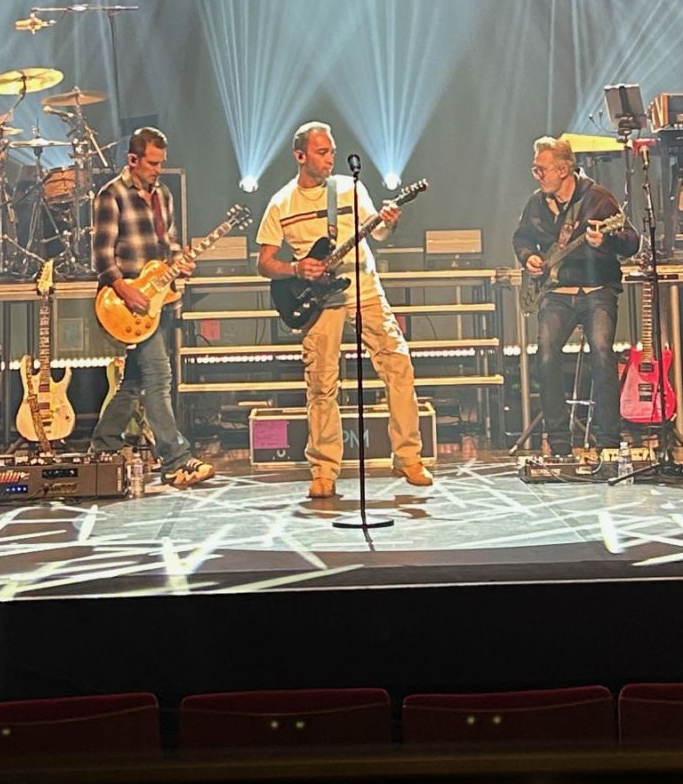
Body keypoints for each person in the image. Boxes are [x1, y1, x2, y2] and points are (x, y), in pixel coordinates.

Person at [257, 122, 431, 500]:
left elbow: (377, 233)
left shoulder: (350, 188)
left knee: (398, 364)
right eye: (322, 152)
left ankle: (408, 457)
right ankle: (323, 470)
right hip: (319, 299)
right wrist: (296, 269)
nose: (330, 158)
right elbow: (265, 262)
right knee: (321, 383)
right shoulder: (281, 203)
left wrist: (388, 223)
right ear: (300, 156)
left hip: (364, 287)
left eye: (332, 151)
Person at [85, 127, 215, 487]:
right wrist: (125, 290)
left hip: (157, 301)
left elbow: (167, 243)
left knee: (135, 381)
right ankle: (176, 460)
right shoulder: (111, 195)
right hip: (127, 303)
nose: (159, 170)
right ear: (133, 160)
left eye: (161, 163)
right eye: (153, 163)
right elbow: (102, 255)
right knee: (159, 376)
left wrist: (180, 262)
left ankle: (103, 443)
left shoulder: (163, 196)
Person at [511, 136, 640, 459]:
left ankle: (608, 442)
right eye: (535, 169)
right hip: (556, 293)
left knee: (602, 354)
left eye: (541, 169)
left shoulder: (598, 199)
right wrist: (528, 257)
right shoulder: (536, 203)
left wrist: (605, 242)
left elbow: (631, 241)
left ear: (564, 169)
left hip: (596, 292)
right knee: (545, 355)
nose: (536, 175)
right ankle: (558, 444)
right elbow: (521, 238)